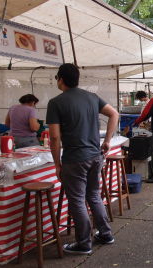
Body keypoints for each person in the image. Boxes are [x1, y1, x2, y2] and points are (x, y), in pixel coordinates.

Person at [46, 63, 119, 255]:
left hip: (75, 159)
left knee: (77, 200)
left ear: (60, 79)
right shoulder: (92, 98)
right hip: (95, 157)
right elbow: (114, 114)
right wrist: (108, 141)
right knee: (94, 195)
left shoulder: (56, 103)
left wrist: (56, 164)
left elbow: (54, 138)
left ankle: (84, 243)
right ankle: (105, 233)